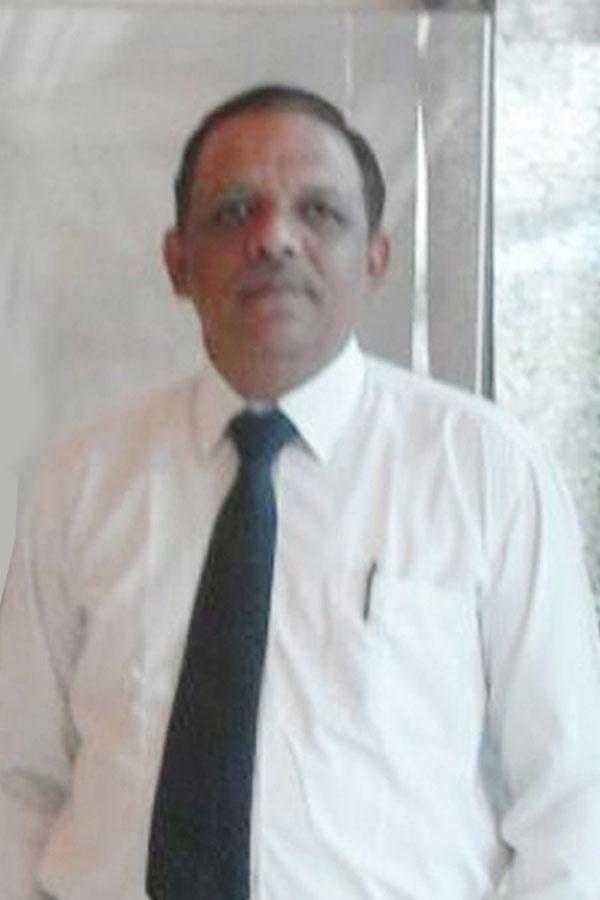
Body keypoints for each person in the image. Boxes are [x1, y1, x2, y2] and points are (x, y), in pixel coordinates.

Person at [1, 83, 600, 900]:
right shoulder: (83, 483)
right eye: (233, 212)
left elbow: (572, 794)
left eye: (319, 212)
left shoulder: (485, 470)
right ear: (177, 262)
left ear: (376, 256)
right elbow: (19, 781)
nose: (275, 239)